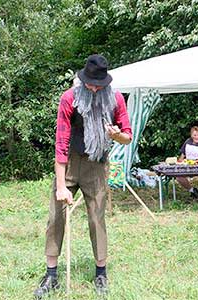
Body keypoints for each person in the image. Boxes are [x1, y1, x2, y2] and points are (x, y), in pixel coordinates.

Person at [33, 54, 132, 298]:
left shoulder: (115, 99)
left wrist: (116, 135)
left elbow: (127, 136)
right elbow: (61, 142)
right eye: (89, 82)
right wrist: (60, 185)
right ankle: (51, 275)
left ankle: (101, 274)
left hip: (96, 164)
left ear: (106, 83)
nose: (93, 87)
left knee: (97, 219)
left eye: (98, 84)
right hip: (69, 163)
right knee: (55, 216)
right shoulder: (69, 98)